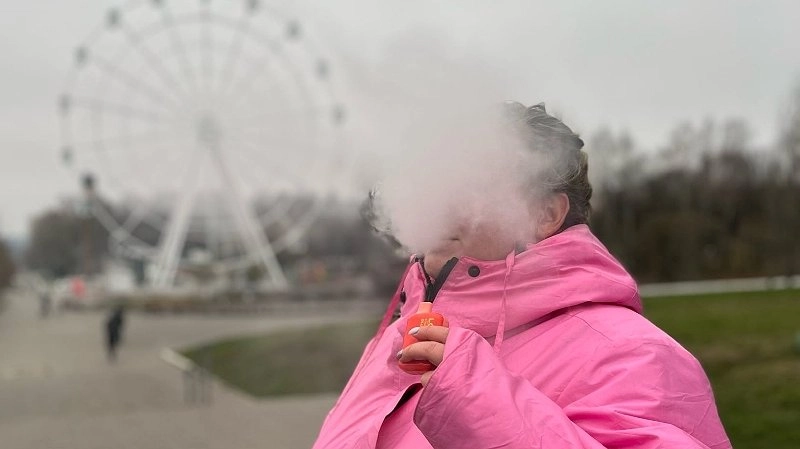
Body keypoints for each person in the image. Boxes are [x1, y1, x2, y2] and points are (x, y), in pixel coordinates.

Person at [312, 103, 731, 448]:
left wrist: (482, 405)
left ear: (544, 214)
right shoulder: (399, 336)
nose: (438, 204)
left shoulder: (633, 352)